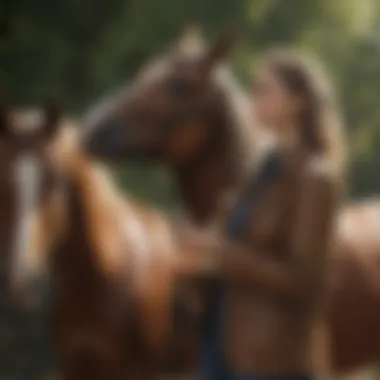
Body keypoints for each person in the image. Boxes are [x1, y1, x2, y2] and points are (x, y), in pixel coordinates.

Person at [178, 49, 346, 379]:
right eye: (254, 88)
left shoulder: (316, 179)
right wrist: (197, 254)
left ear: (298, 102)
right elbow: (238, 255)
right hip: (220, 347)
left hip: (268, 361)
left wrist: (221, 252)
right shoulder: (260, 169)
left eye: (266, 90)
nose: (253, 97)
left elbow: (302, 279)